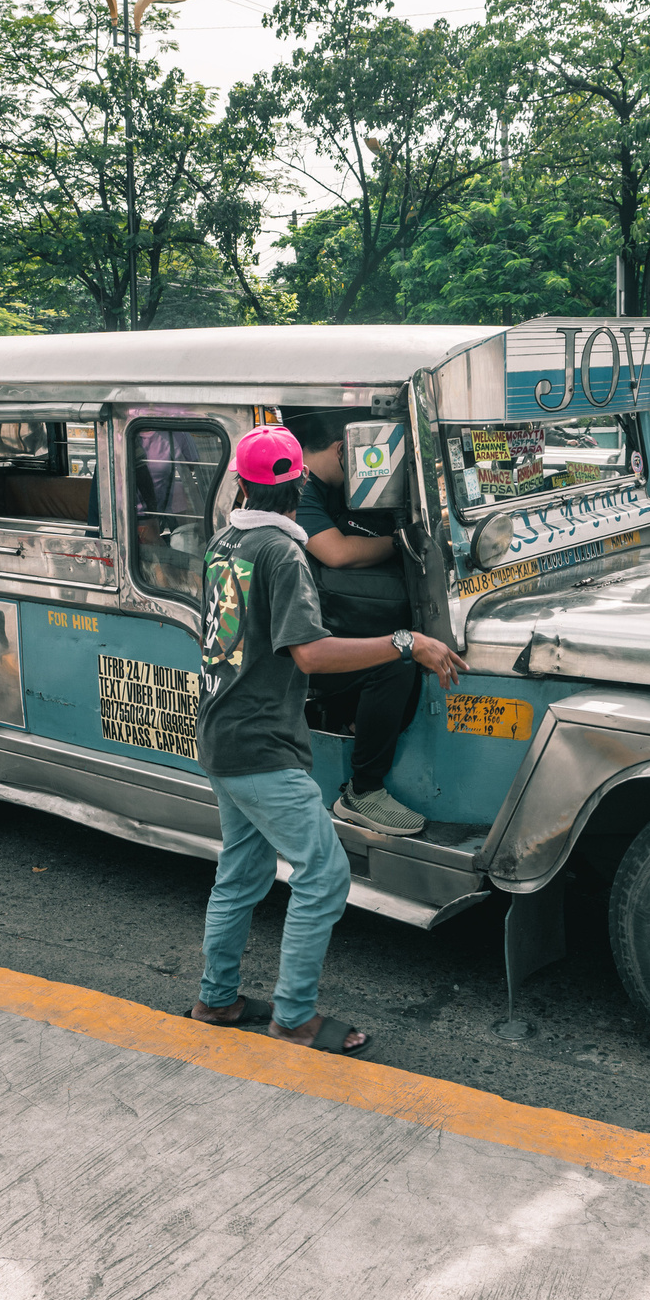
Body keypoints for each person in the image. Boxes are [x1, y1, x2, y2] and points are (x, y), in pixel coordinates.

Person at [187, 424, 462, 1056]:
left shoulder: (229, 539)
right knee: (323, 873)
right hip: (259, 744)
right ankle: (294, 1017)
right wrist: (405, 642)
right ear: (298, 483)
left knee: (242, 871)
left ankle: (218, 998)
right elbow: (310, 654)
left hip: (223, 730)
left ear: (244, 483)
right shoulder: (284, 553)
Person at [282, 409, 426, 836]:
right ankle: (363, 791)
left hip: (322, 623)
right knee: (396, 659)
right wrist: (402, 543)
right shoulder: (302, 486)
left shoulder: (332, 488)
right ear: (346, 449)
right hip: (299, 645)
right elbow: (338, 553)